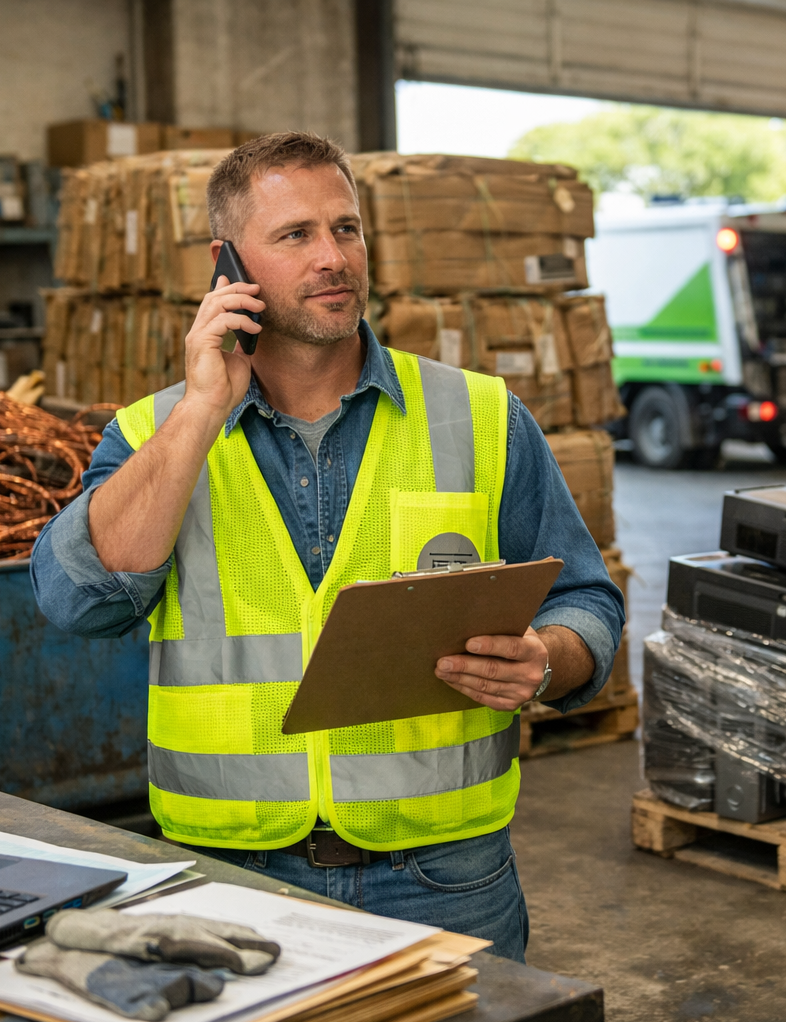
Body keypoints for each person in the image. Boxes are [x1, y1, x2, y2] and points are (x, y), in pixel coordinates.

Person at [30, 132, 624, 964]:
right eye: (296, 235)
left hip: (445, 874)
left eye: (347, 229)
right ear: (228, 265)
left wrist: (547, 659)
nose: (333, 257)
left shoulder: (482, 415)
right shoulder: (153, 432)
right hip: (229, 874)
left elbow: (587, 599)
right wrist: (200, 411)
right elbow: (76, 600)